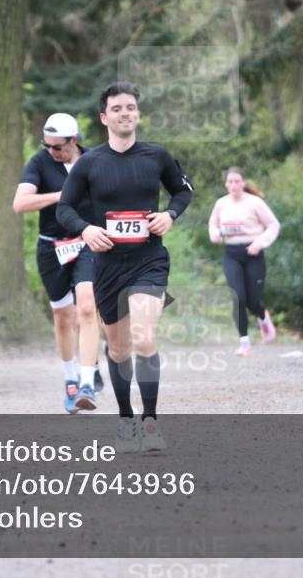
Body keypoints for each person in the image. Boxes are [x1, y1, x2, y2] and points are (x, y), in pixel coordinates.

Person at [57, 82, 193, 452]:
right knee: (117, 350)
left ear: (139, 114)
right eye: (117, 108)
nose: (125, 113)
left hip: (149, 261)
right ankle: (126, 420)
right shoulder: (89, 163)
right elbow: (64, 209)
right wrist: (86, 229)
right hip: (108, 267)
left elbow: (184, 191)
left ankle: (150, 423)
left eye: (131, 107)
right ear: (104, 117)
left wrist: (170, 214)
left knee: (145, 337)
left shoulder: (157, 157)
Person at [13, 113, 104, 414]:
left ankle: (88, 380)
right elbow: (20, 204)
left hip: (87, 241)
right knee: (64, 318)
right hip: (51, 247)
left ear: (74, 141)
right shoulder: (40, 163)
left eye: (57, 147)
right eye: (47, 145)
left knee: (88, 307)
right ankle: (70, 380)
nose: (51, 152)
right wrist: (58, 195)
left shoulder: (94, 159)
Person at [208, 166, 279, 357]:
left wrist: (259, 243)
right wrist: (216, 234)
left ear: (243, 182)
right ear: (226, 184)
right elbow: (213, 225)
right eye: (229, 182)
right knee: (238, 297)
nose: (233, 185)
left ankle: (263, 318)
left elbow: (273, 225)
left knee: (253, 301)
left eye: (237, 181)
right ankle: (244, 343)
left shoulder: (254, 203)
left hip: (253, 254)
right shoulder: (221, 204)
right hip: (232, 254)